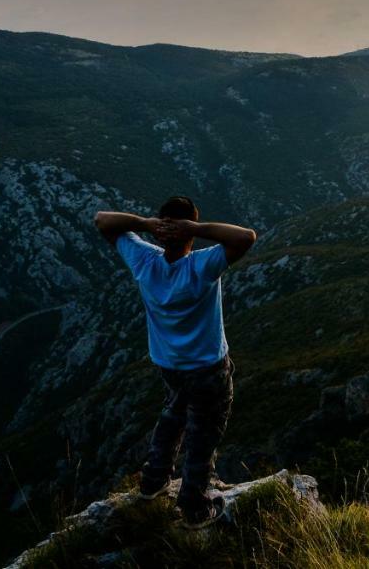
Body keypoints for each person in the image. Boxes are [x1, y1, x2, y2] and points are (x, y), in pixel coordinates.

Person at [93, 196, 257, 527]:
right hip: (208, 368)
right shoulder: (201, 266)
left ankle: (153, 482)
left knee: (172, 417)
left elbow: (102, 220)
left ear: (160, 230)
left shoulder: (144, 261)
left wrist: (144, 224)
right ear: (190, 232)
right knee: (203, 433)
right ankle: (194, 508)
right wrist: (195, 228)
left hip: (169, 366)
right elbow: (245, 237)